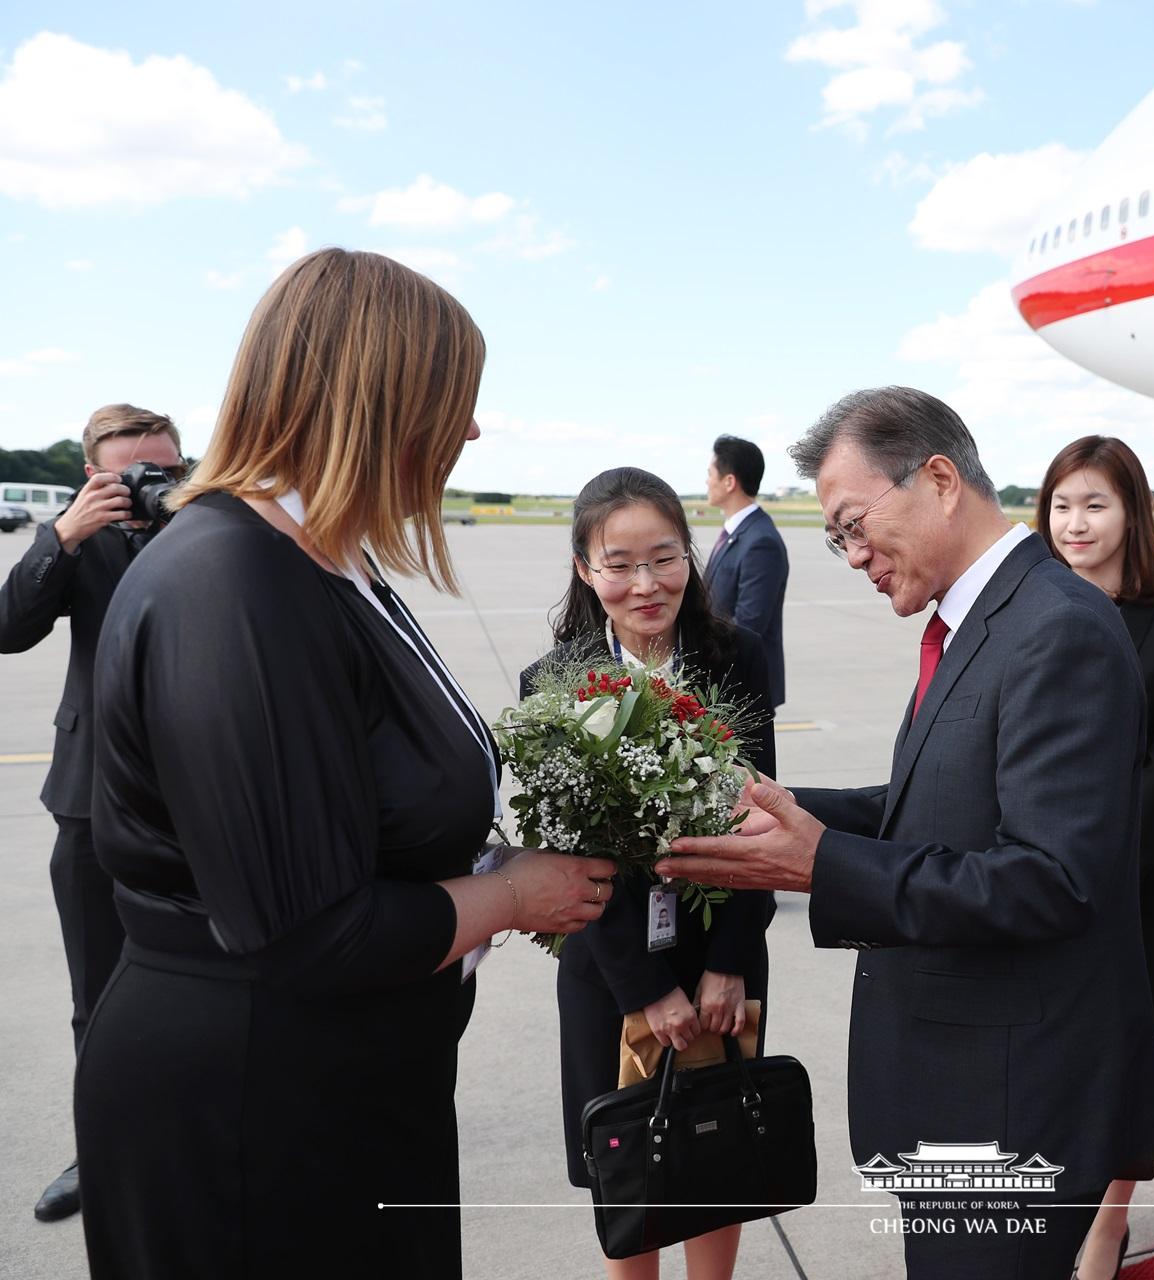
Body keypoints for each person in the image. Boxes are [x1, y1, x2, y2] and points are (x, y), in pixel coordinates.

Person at [79, 248, 615, 1278]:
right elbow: (311, 934)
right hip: (254, 1106)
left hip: (346, 1084)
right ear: (382, 397)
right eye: (454, 398)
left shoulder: (327, 556)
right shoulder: (233, 581)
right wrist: (512, 895)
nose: (469, 428)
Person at [658, 387, 1154, 1280]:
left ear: (938, 480)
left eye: (855, 523)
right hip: (961, 1087)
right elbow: (944, 800)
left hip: (1010, 1107)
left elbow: (1051, 877)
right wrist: (780, 803)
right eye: (835, 537)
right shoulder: (982, 617)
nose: (852, 555)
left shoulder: (1057, 631)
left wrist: (823, 864)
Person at [520, 465, 776, 1280]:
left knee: (719, 1155)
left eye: (664, 558)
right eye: (619, 564)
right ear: (584, 569)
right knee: (627, 1165)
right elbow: (564, 858)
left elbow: (763, 820)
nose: (645, 584)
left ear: (690, 557)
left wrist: (731, 961)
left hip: (722, 956)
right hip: (610, 968)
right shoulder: (551, 685)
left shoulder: (733, 658)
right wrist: (641, 988)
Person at [0, 403, 183, 1223]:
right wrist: (65, 537)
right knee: (98, 991)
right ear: (92, 475)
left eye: (166, 469)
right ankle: (103, 1146)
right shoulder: (80, 539)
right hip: (92, 794)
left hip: (205, 796)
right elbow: (9, 630)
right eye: (130, 471)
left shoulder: (207, 528)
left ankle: (199, 1137)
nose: (150, 484)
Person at [1039, 436, 1154, 1280]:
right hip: (1028, 873)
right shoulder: (1024, 605)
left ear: (1132, 513)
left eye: (1095, 504)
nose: (1076, 523)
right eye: (1062, 504)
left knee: (1133, 1051)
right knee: (1042, 1049)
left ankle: (1109, 1222)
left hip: (1133, 873)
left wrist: (1092, 869)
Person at [704, 435, 789, 708]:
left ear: (729, 482)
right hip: (723, 684)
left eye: (710, 474)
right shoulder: (736, 533)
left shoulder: (760, 541)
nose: (706, 481)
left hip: (741, 688)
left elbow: (749, 624)